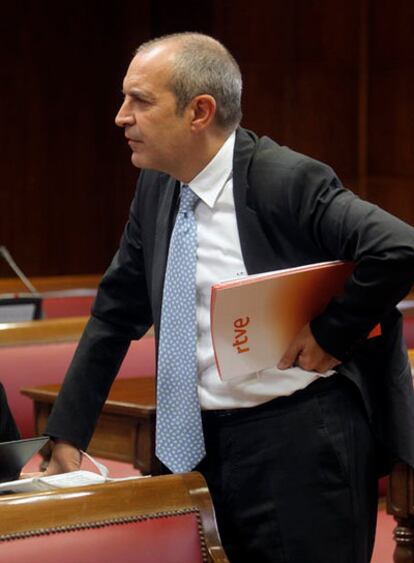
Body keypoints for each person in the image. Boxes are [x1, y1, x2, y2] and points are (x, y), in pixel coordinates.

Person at [43, 32, 414, 562]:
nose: (121, 117)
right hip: (189, 452)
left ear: (199, 111)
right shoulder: (156, 186)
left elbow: (398, 248)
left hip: (298, 453)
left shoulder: (285, 180)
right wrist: (68, 434)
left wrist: (333, 333)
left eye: (140, 101)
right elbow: (114, 312)